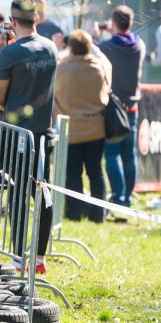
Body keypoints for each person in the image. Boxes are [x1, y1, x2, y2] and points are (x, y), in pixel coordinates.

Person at [0, 0, 58, 274]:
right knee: (43, 193)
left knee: (18, 195)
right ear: (37, 19)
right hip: (45, 132)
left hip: (18, 134)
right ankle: (40, 257)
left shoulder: (10, 53)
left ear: (14, 21)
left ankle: (19, 257)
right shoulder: (52, 47)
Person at [54, 30, 111, 223]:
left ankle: (74, 212)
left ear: (71, 47)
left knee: (73, 174)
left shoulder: (62, 68)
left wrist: (62, 50)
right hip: (96, 128)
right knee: (96, 172)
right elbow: (107, 67)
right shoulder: (99, 67)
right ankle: (98, 213)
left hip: (72, 130)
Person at [99, 6, 145, 209]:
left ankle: (117, 197)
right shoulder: (140, 44)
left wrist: (98, 33)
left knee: (111, 153)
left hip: (114, 107)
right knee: (129, 154)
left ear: (113, 22)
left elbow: (96, 52)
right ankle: (127, 198)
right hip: (133, 107)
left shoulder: (108, 46)